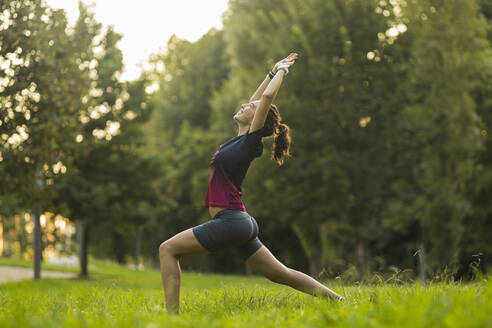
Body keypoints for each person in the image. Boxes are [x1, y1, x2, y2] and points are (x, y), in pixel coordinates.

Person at [159, 52, 344, 314]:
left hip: (231, 222)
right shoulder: (240, 140)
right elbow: (258, 99)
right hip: (239, 222)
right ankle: (341, 302)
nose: (248, 104)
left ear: (258, 120)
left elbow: (266, 99)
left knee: (167, 249)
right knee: (282, 274)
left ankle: (171, 318)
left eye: (252, 108)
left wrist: (282, 71)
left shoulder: (250, 143)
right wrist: (270, 72)